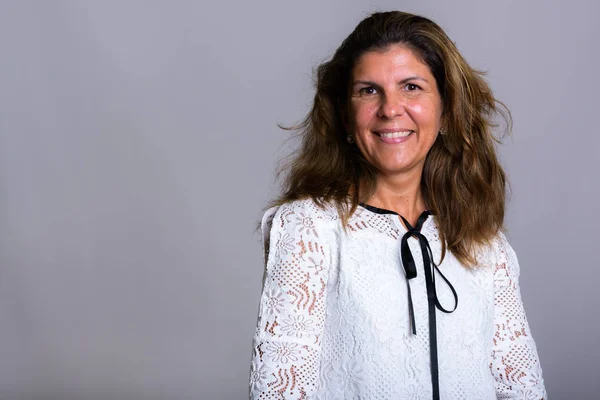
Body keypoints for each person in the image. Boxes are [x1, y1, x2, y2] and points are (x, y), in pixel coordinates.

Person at [249, 11, 546, 400]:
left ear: (445, 110)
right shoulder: (309, 229)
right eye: (368, 90)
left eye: (411, 87)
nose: (390, 109)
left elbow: (521, 389)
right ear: (344, 114)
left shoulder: (482, 240)